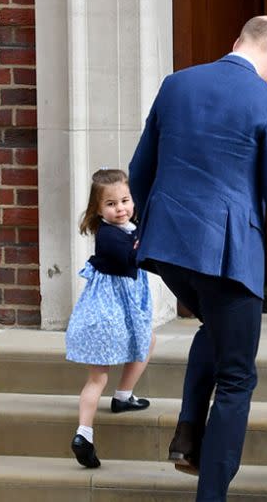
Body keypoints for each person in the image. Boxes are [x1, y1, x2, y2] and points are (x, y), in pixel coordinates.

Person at [129, 16, 267, 500]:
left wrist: (141, 231)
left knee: (211, 328)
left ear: (235, 43)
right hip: (229, 255)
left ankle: (187, 436)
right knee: (237, 378)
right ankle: (210, 494)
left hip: (168, 246)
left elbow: (138, 171)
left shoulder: (177, 84)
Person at [64, 168, 155, 469]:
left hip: (111, 314)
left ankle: (94, 423)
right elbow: (132, 258)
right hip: (109, 316)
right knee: (138, 346)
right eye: (111, 204)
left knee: (101, 375)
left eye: (125, 201)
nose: (120, 209)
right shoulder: (107, 236)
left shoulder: (129, 227)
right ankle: (94, 423)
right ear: (98, 209)